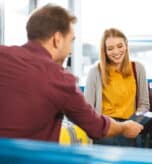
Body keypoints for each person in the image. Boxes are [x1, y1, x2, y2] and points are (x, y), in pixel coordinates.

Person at [0, 4, 144, 143]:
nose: (70, 50)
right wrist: (124, 128)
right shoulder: (59, 79)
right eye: (71, 41)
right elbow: (96, 126)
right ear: (57, 39)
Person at [84, 28, 150, 147]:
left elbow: (144, 104)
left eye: (120, 46)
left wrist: (134, 124)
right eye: (110, 48)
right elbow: (88, 109)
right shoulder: (95, 72)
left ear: (126, 45)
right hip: (106, 129)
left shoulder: (138, 68)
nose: (116, 51)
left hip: (131, 127)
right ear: (104, 51)